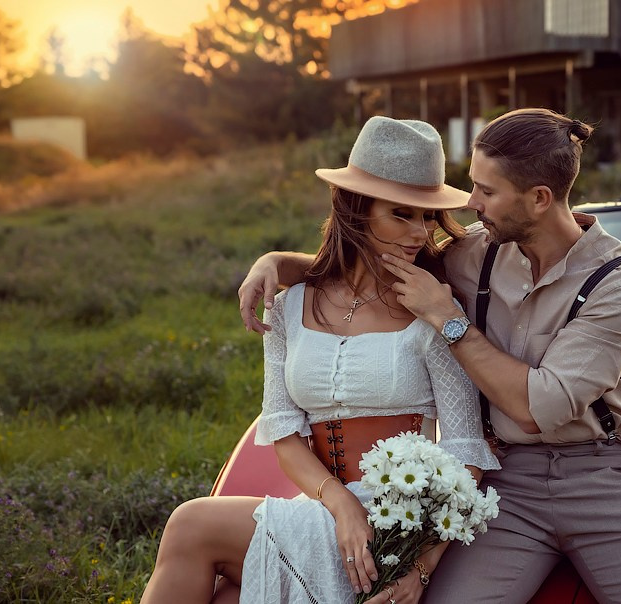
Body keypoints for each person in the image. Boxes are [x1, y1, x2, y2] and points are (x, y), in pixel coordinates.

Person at [239, 108, 621, 603]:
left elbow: (537, 408)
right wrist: (277, 263)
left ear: (539, 199)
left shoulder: (620, 286)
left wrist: (449, 320)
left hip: (603, 477)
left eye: (486, 191)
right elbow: (368, 260)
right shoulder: (475, 254)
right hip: (504, 484)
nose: (469, 202)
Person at [142, 116, 500, 604]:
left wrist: (420, 561)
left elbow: (466, 454)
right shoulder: (289, 305)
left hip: (397, 520)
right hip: (325, 508)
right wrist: (341, 503)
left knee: (191, 524)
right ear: (356, 210)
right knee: (227, 597)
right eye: (401, 214)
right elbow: (286, 434)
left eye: (426, 217)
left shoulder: (435, 311)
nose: (419, 233)